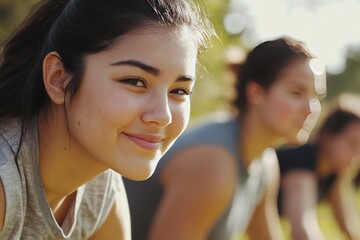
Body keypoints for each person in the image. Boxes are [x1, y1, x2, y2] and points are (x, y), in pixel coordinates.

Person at [0, 0, 214, 238]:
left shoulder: (100, 190)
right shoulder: (5, 180)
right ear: (58, 78)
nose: (163, 116)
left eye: (179, 91)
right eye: (135, 81)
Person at [124, 37, 323, 240]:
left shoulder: (265, 163)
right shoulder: (213, 162)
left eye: (316, 97)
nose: (310, 109)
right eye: (297, 93)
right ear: (256, 93)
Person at [277, 108, 360, 240]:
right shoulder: (302, 161)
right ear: (329, 137)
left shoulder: (332, 174)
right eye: (352, 144)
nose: (357, 155)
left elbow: (349, 228)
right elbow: (303, 232)